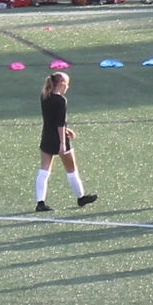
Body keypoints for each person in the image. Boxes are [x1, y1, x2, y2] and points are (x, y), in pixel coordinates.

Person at [34, 72, 95, 212]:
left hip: (47, 137)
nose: (68, 87)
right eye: (67, 84)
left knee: (44, 171)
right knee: (71, 170)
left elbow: (52, 120)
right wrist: (62, 142)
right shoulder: (61, 101)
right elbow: (60, 124)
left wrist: (67, 130)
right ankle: (81, 197)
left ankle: (40, 202)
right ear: (61, 84)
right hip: (59, 138)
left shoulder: (44, 96)